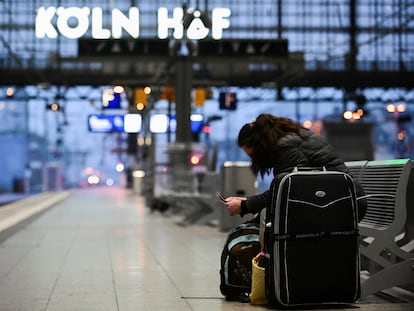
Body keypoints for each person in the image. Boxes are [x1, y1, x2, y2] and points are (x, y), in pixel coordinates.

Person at [224, 113, 367, 220]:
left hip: (342, 205)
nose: (254, 161)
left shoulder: (285, 147)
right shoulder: (294, 139)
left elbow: (285, 192)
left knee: (269, 221)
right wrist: (248, 201)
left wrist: (245, 206)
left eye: (253, 156)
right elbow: (285, 190)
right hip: (338, 199)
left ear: (260, 146)